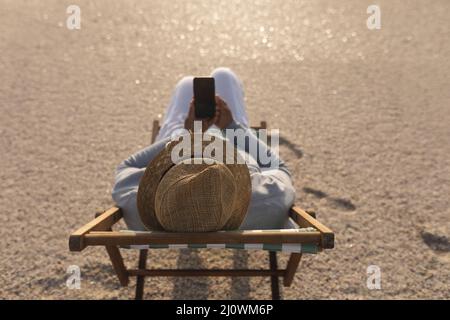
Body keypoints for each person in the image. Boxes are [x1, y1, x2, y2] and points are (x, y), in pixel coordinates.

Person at [112, 67, 295, 232]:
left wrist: (188, 134)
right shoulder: (265, 202)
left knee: (186, 84)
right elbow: (279, 168)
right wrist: (231, 127)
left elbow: (125, 167)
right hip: (232, 142)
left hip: (181, 146)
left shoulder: (138, 207)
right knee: (224, 75)